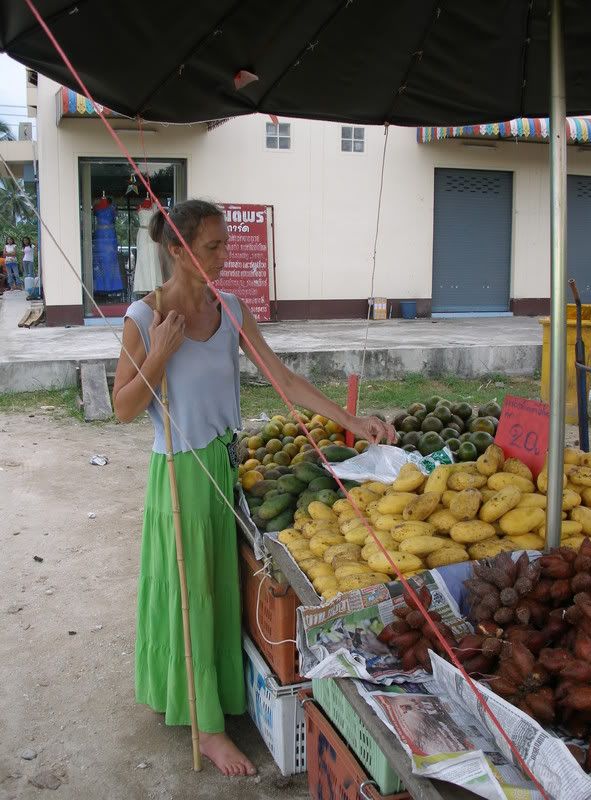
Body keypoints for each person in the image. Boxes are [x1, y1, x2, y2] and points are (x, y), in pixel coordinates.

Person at [112, 199, 395, 778]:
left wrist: (352, 420)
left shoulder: (232, 309)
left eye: (224, 245)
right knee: (193, 591)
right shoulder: (144, 319)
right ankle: (208, 730)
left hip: (226, 461)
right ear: (176, 249)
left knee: (225, 583)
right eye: (212, 246)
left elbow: (282, 377)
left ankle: (214, 700)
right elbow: (121, 408)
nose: (223, 256)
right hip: (181, 473)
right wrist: (161, 354)